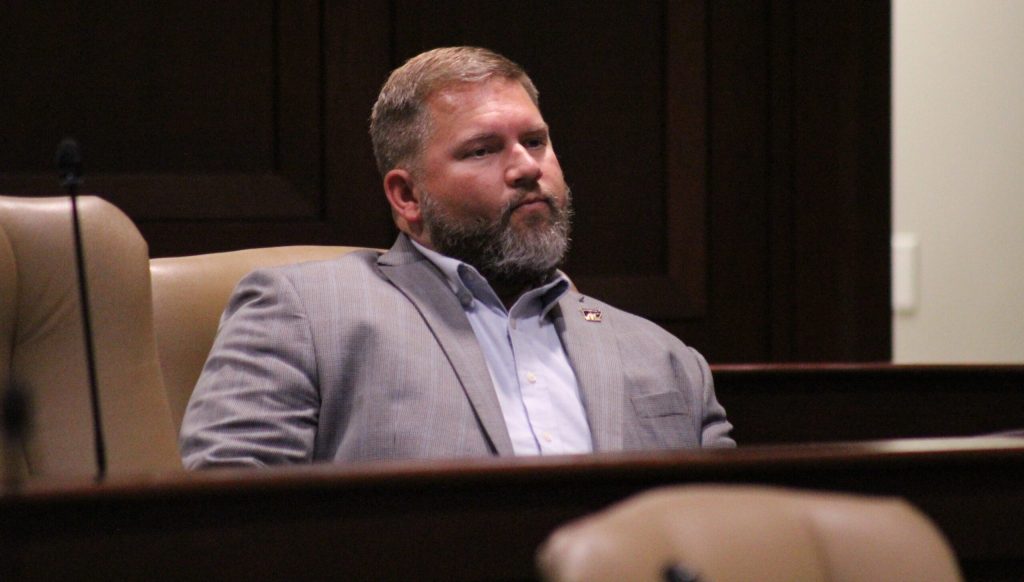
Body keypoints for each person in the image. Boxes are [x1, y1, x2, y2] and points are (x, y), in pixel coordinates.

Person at [180, 47, 734, 468]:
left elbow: (723, 536)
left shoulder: (666, 359)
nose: (525, 167)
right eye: (483, 150)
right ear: (407, 196)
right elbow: (232, 521)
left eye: (535, 141)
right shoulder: (303, 313)